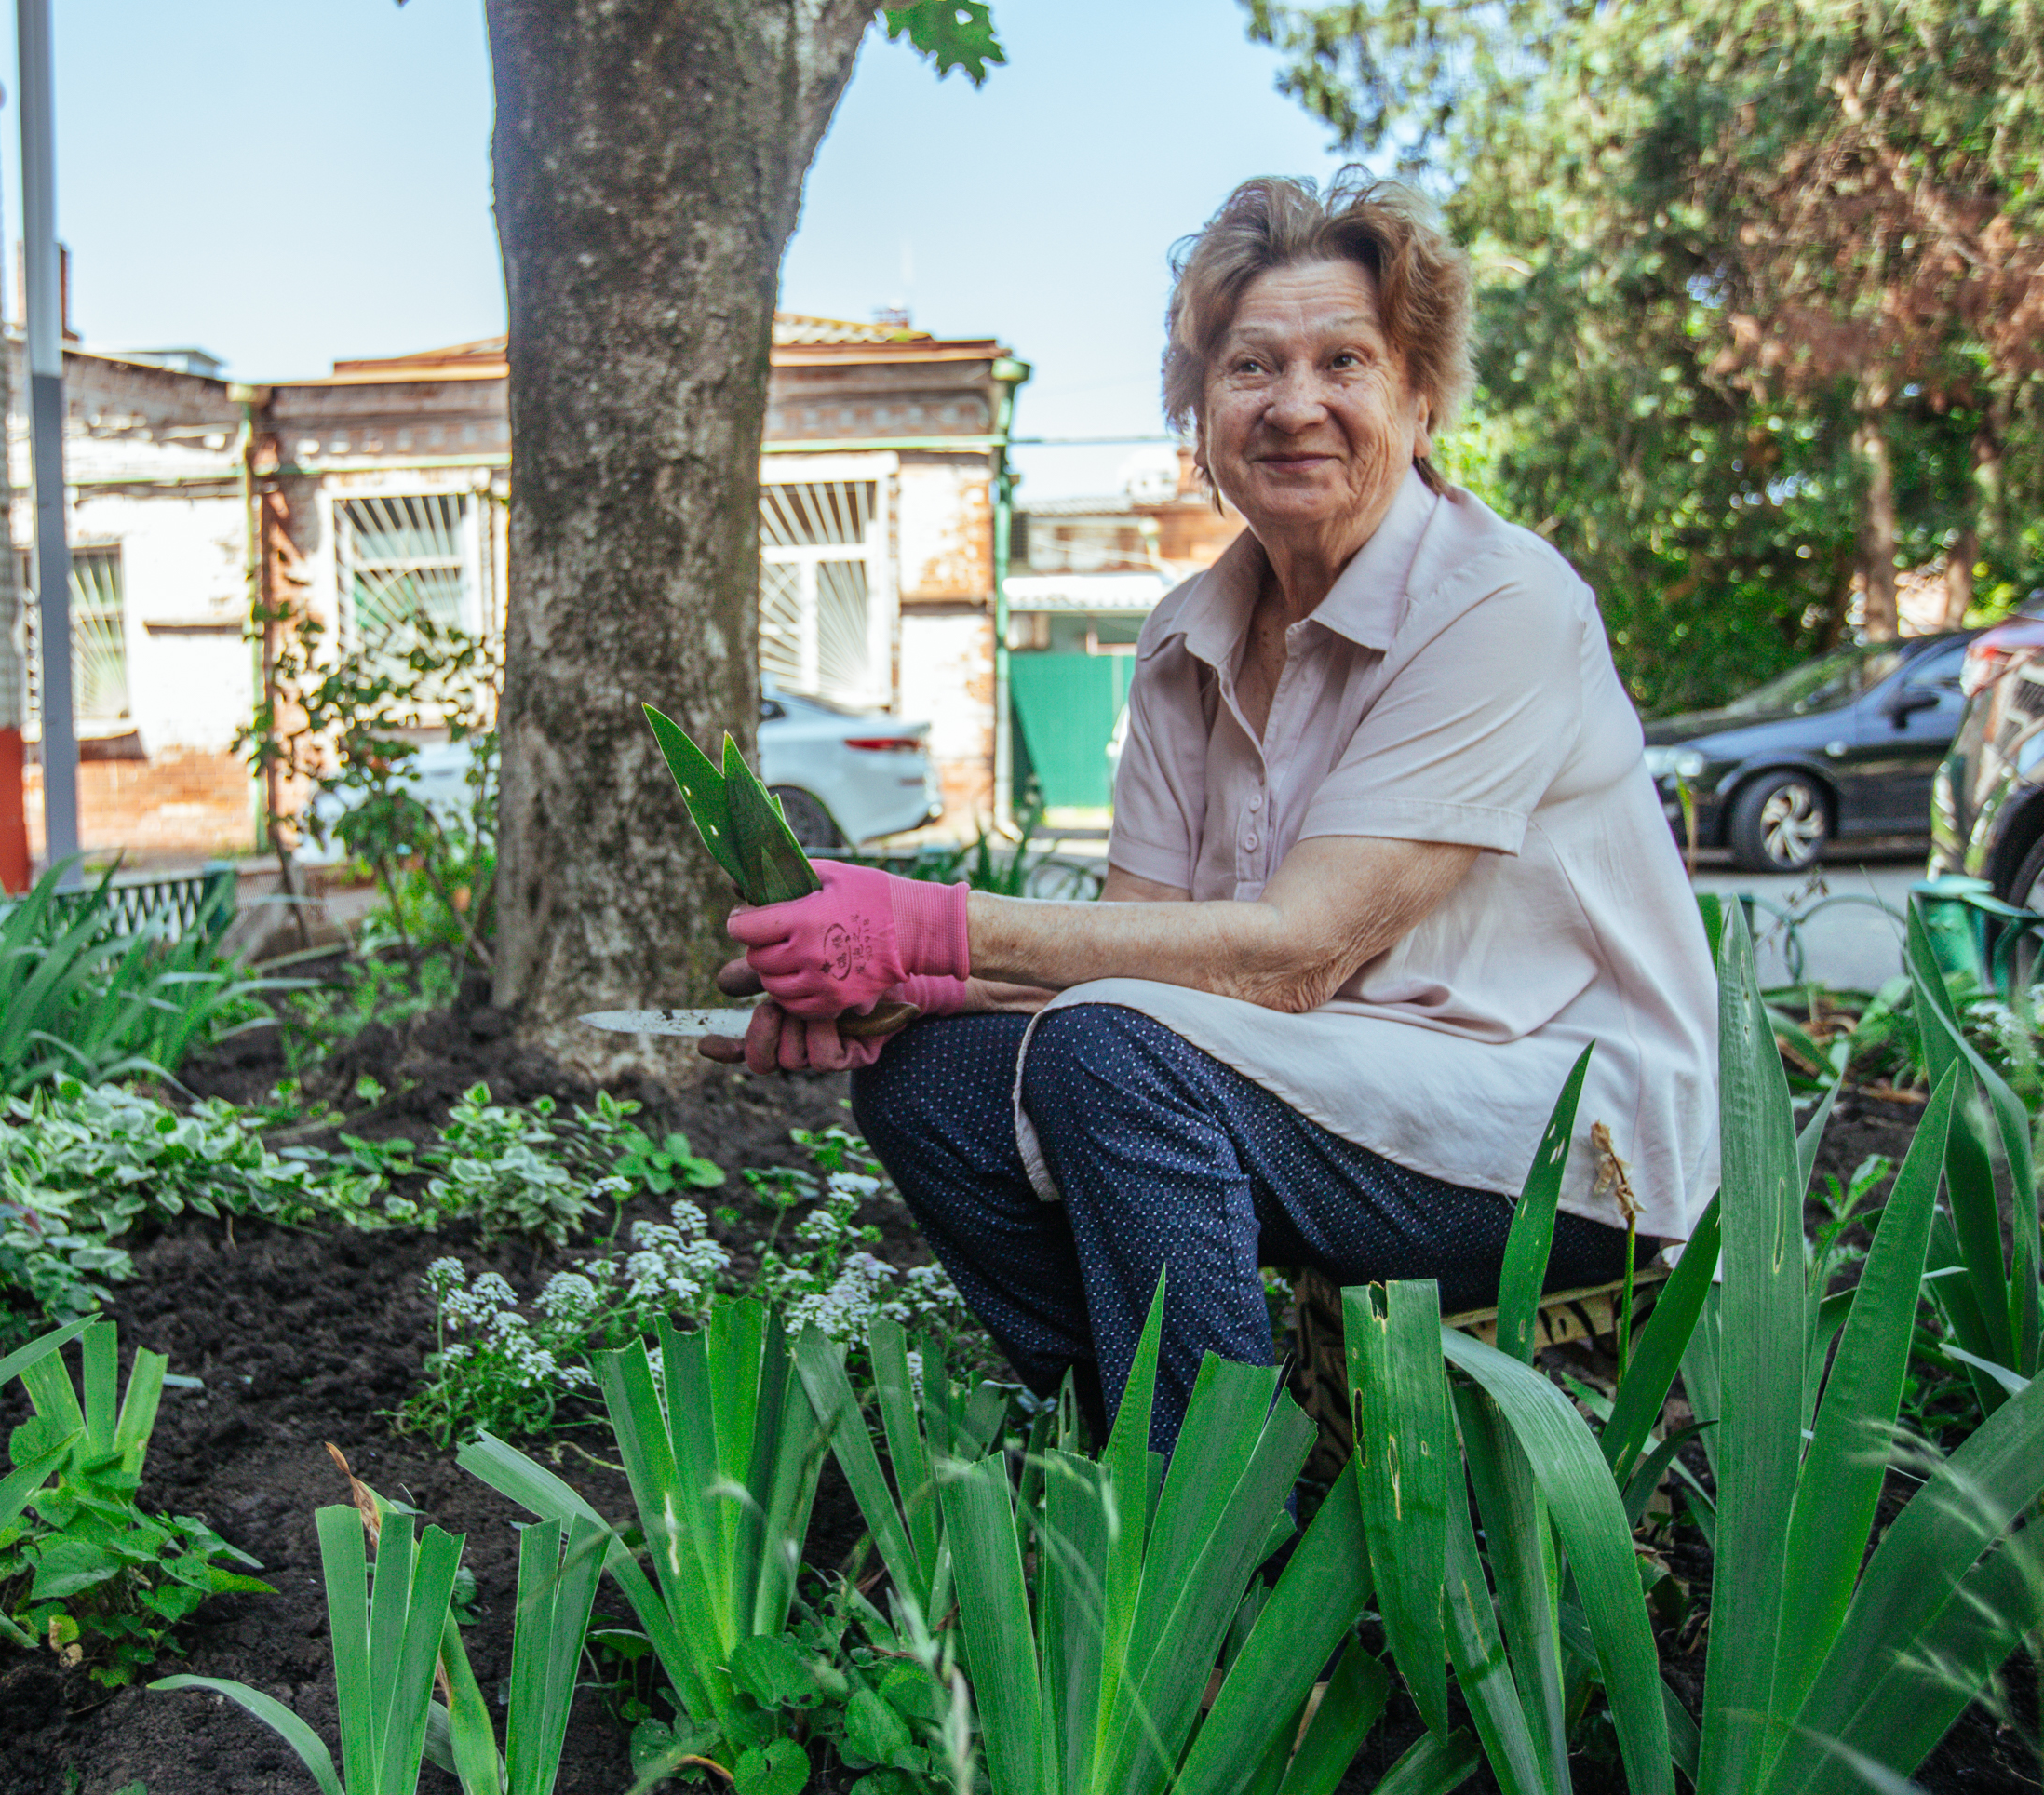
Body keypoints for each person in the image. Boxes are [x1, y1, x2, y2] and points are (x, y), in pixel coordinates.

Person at [706, 169, 1718, 1452]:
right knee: (933, 1082)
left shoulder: (1499, 602)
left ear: (1418, 399)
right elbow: (1140, 953)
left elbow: (1300, 954)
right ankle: (1122, 1453)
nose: (1296, 405)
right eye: (1250, 368)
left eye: (1344, 361)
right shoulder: (1192, 634)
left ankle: (1212, 1550)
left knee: (1118, 1059)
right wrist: (896, 998)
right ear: (1200, 414)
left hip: (1558, 1145)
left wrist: (932, 927)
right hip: (1330, 1101)